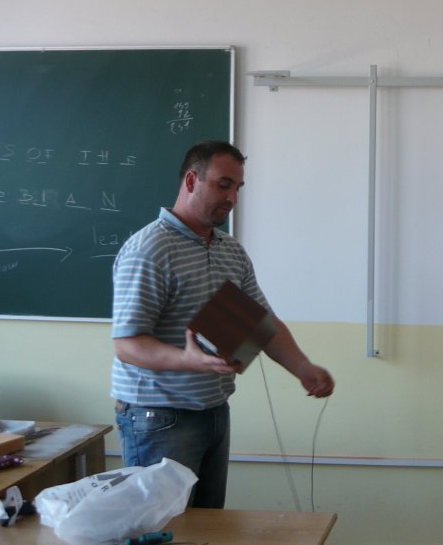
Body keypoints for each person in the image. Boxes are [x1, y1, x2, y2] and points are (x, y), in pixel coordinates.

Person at [110, 140, 335, 508]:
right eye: (223, 185)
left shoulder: (230, 250)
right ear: (191, 181)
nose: (232, 198)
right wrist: (187, 360)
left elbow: (262, 322)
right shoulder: (150, 250)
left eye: (238, 188)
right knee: (164, 527)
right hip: (159, 417)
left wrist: (303, 368)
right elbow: (127, 344)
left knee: (208, 527)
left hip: (213, 411)